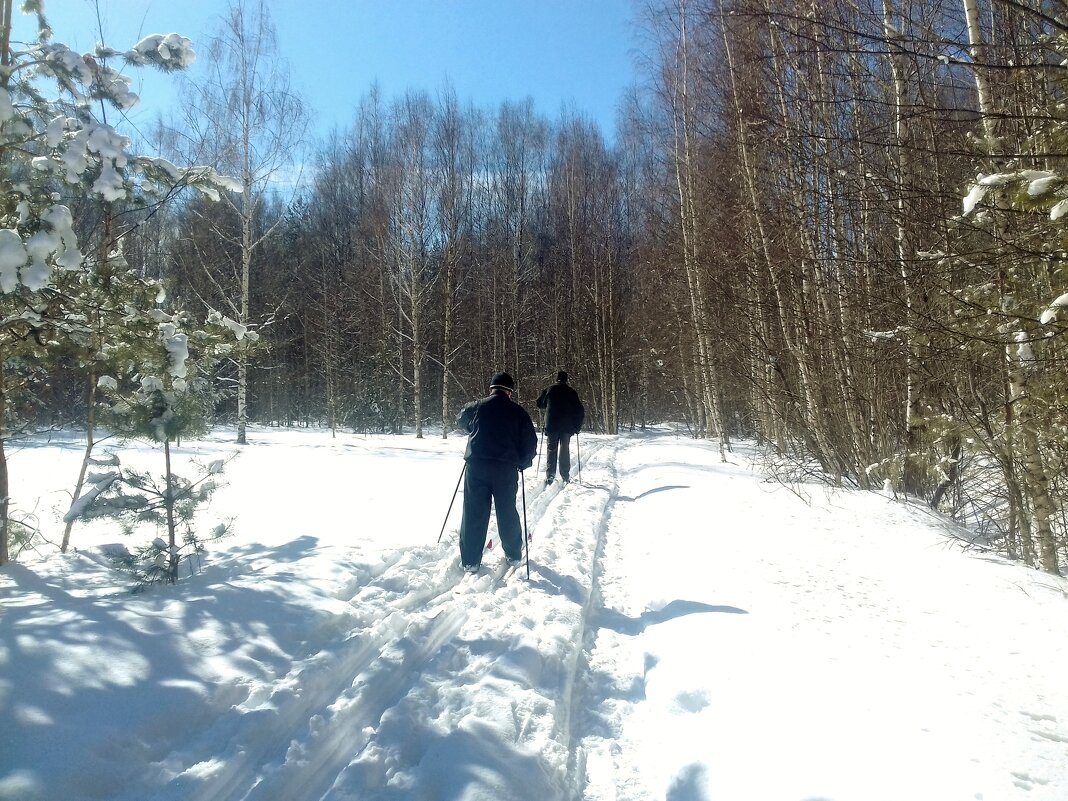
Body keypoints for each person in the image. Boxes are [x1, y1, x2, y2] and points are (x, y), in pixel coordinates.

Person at [456, 371, 537, 572]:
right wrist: (523, 462)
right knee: (507, 510)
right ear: (509, 392)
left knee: (474, 511)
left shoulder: (476, 407)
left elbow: (460, 422)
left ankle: (470, 561)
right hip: (505, 469)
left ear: (491, 389)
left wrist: (475, 429)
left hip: (477, 466)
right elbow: (530, 443)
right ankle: (513, 555)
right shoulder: (519, 412)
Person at [536, 370, 585, 486]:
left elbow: (539, 403)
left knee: (551, 449)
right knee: (564, 450)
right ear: (566, 380)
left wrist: (548, 404)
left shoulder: (549, 389)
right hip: (567, 426)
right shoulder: (571, 392)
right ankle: (565, 475)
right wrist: (577, 427)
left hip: (552, 425)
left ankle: (550, 475)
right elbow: (580, 411)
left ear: (556, 379)